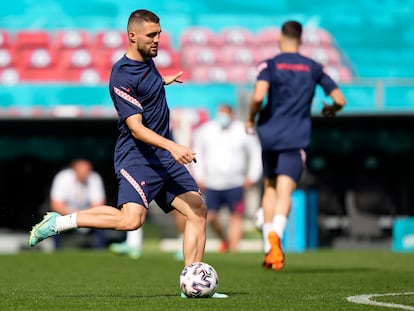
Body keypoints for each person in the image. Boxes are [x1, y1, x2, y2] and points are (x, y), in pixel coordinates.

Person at [28, 9, 227, 299]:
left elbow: (146, 90)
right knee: (131, 220)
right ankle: (58, 223)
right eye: (151, 35)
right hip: (138, 157)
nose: (158, 40)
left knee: (197, 210)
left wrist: (162, 82)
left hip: (162, 157)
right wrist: (174, 146)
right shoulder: (121, 75)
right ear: (132, 36)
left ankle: (192, 284)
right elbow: (136, 128)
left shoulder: (148, 62)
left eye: (159, 34)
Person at [245, 20, 346, 271]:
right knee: (284, 192)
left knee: (269, 188)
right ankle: (276, 237)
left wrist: (250, 117)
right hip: (296, 137)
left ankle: (270, 249)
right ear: (301, 40)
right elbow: (339, 99)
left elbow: (258, 96)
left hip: (269, 134)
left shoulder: (269, 64)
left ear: (281, 38)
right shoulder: (313, 67)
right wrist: (330, 108)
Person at [192, 104, 262, 252]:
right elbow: (197, 151)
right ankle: (225, 240)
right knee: (211, 217)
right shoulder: (206, 130)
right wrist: (199, 176)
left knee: (236, 217)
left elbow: (255, 151)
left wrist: (252, 176)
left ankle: (234, 250)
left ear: (232, 114)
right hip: (212, 182)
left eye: (226, 113)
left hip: (235, 182)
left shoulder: (242, 130)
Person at [49, 159, 107, 249]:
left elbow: (99, 205)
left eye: (87, 172)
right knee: (55, 220)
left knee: (102, 220)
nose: (84, 174)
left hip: (88, 215)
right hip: (67, 214)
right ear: (74, 170)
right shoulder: (63, 177)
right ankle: (56, 251)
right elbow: (56, 205)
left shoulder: (94, 178)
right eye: (82, 172)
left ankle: (101, 251)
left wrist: (84, 217)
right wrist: (74, 217)